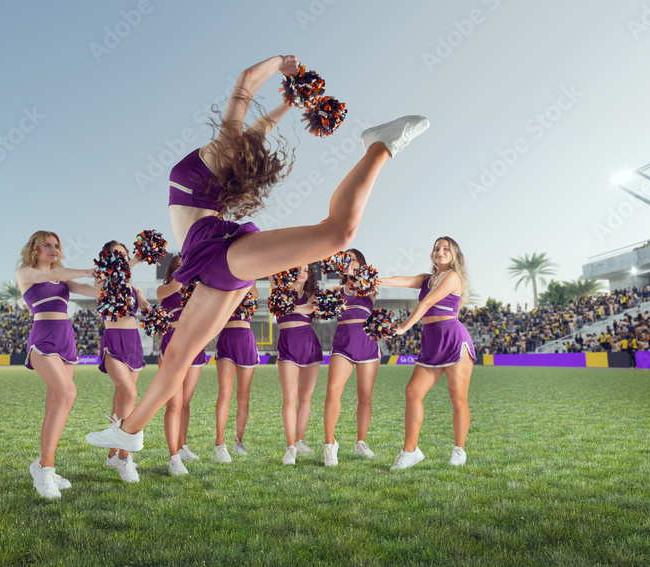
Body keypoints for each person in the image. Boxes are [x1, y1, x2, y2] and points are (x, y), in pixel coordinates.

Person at [86, 54, 429, 453]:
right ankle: (129, 430)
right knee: (179, 353)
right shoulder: (224, 147)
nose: (251, 142)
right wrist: (286, 71)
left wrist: (287, 80)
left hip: (218, 251)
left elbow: (250, 94)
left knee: (338, 233)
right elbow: (247, 85)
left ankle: (380, 145)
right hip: (213, 254)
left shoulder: (220, 154)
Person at [382, 236, 476, 469]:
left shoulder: (453, 277)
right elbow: (403, 280)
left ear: (454, 255)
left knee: (457, 398)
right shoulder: (427, 278)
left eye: (446, 249)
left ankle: (459, 450)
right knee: (413, 391)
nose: (440, 252)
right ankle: (410, 451)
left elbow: (426, 304)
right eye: (437, 248)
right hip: (431, 340)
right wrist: (375, 280)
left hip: (453, 339)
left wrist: (404, 327)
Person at [15, 230, 96, 499]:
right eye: (47, 245)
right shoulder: (25, 273)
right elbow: (48, 276)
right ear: (35, 248)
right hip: (43, 337)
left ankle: (42, 464)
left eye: (56, 245)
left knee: (56, 404)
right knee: (68, 392)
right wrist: (87, 270)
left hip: (66, 339)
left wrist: (114, 276)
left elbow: (91, 291)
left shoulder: (64, 278)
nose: (53, 249)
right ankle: (46, 470)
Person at [95, 240, 149, 483]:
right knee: (129, 393)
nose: (121, 257)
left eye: (124, 254)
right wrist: (136, 258)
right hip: (113, 341)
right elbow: (114, 275)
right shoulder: (102, 281)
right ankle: (125, 458)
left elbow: (146, 308)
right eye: (116, 254)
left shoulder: (135, 289)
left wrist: (154, 312)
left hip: (133, 343)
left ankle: (112, 455)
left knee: (121, 398)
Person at [323, 249, 381, 466]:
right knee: (333, 390)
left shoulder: (370, 289)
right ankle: (330, 445)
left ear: (361, 264)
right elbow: (323, 310)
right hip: (343, 346)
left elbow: (369, 283)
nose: (349, 262)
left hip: (367, 346)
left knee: (365, 396)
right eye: (345, 259)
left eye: (353, 259)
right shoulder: (336, 290)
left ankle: (361, 442)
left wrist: (357, 275)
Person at [157, 255, 208, 475]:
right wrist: (191, 268)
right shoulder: (164, 289)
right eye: (178, 266)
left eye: (185, 266)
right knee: (174, 404)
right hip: (172, 345)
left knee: (186, 402)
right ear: (171, 270)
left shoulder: (197, 291)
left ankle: (182, 445)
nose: (182, 270)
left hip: (194, 345)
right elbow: (177, 283)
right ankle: (173, 457)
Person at [270, 264, 322, 465]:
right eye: (298, 268)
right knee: (289, 397)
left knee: (306, 396)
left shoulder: (312, 294)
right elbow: (269, 265)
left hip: (309, 344)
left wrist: (288, 306)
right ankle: (290, 447)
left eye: (306, 269)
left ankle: (300, 440)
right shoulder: (278, 289)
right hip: (288, 343)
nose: (302, 272)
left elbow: (310, 307)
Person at [214, 285, 259, 462]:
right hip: (226, 338)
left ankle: (239, 441)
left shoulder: (252, 290)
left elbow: (251, 283)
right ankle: (220, 442)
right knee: (224, 393)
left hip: (246, 340)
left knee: (243, 397)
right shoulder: (222, 287)